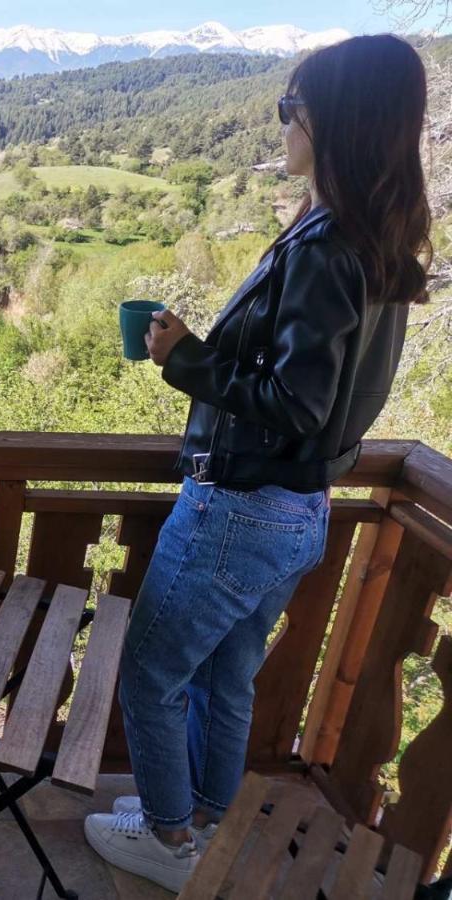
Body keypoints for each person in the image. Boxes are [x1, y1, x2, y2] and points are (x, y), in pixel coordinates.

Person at [83, 34, 432, 893]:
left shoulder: (325, 250)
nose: (284, 125)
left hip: (239, 509)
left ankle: (169, 843)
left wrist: (185, 359)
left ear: (333, 123)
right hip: (295, 513)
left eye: (291, 108)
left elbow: (296, 402)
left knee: (152, 673)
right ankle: (199, 816)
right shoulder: (373, 242)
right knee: (226, 675)